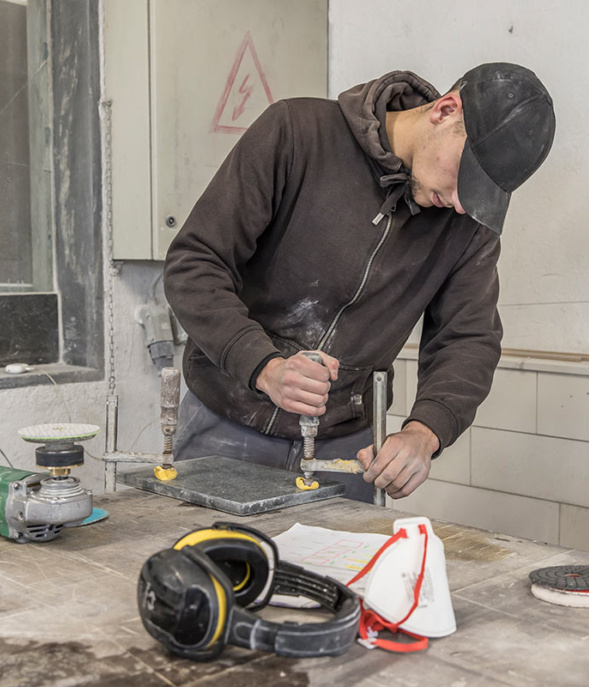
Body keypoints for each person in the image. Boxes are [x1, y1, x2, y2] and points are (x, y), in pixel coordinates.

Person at [164, 63, 555, 502]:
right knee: (211, 549)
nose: (464, 204)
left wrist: (425, 432)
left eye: (483, 192)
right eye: (468, 176)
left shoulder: (467, 225)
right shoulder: (296, 133)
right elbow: (195, 263)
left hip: (346, 450)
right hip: (225, 424)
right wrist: (263, 367)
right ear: (445, 111)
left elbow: (469, 338)